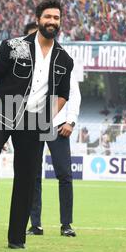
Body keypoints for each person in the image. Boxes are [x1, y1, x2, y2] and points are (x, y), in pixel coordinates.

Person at [0, 0, 73, 249]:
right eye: (48, 17)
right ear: (38, 19)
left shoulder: (64, 59)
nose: (52, 21)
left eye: (56, 18)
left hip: (35, 120)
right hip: (3, 110)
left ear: (60, 22)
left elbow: (63, 95)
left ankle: (17, 238)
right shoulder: (13, 46)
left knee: (27, 176)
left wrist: (47, 117)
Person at [27, 48, 81, 237]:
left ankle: (66, 224)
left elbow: (74, 93)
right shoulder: (27, 63)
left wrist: (70, 121)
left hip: (57, 125)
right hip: (32, 124)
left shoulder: (61, 60)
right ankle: (35, 225)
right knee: (32, 175)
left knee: (64, 174)